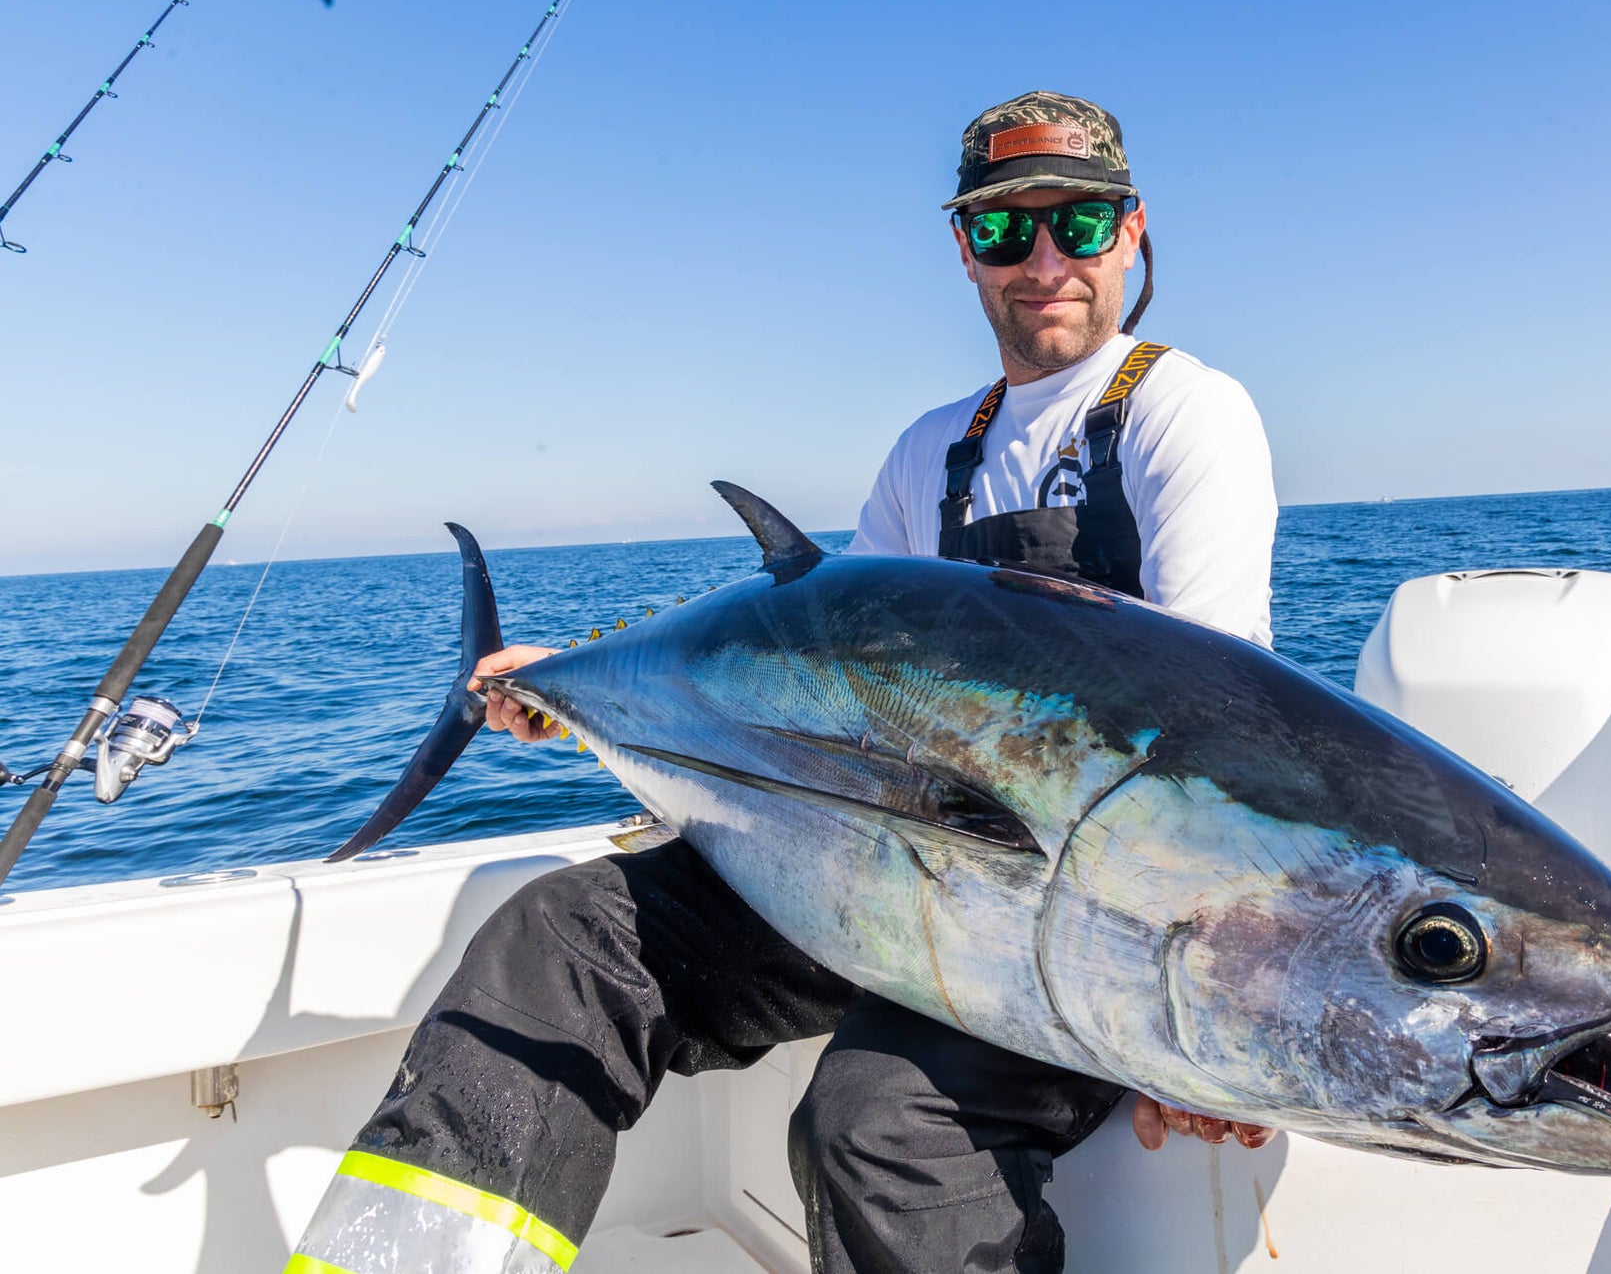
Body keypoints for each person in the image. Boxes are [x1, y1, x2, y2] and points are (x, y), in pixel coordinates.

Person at [286, 90, 1280, 1274]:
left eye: (1080, 221)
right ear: (964, 247)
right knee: (564, 930)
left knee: (876, 1118)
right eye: (1006, 231)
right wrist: (569, 687)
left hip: (1067, 927)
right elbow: (827, 683)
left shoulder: (1181, 413)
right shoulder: (932, 450)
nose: (1046, 260)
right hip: (868, 869)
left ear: (1131, 228)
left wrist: (1211, 1033)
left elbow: (1222, 751)